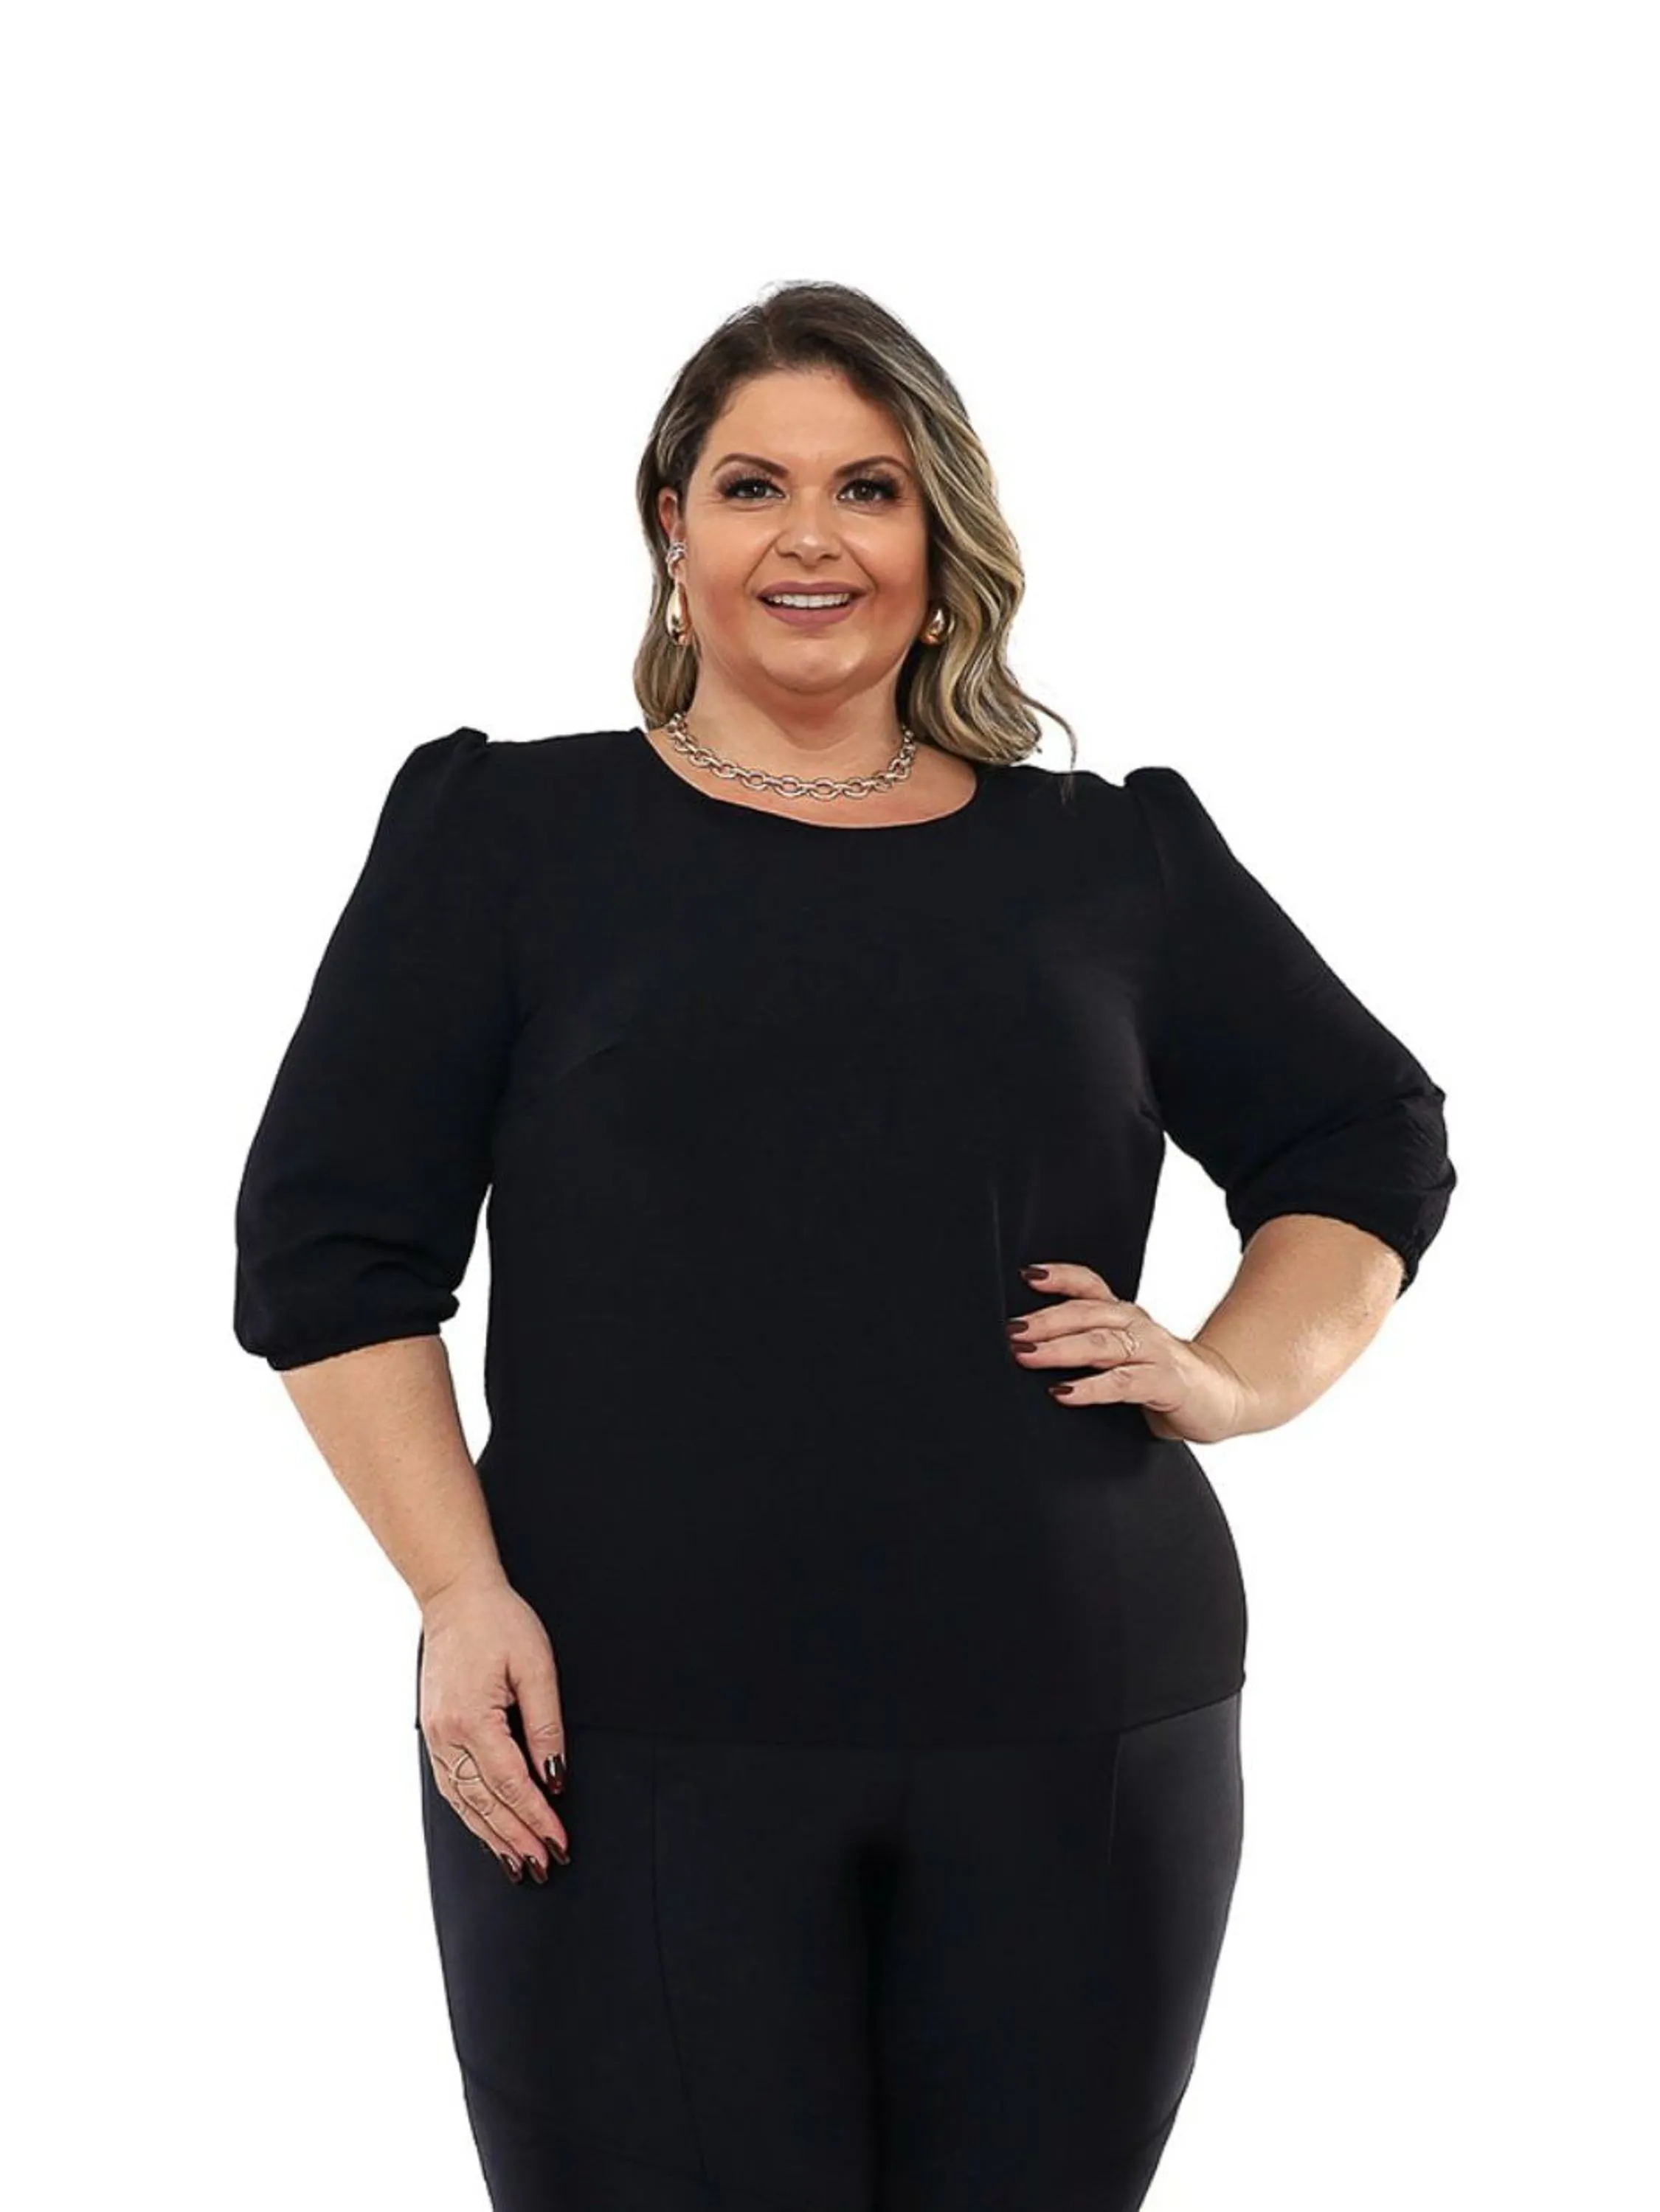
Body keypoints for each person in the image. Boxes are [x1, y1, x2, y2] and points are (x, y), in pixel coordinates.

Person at [232, 280, 1456, 2212]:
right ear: (672, 527)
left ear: (937, 535)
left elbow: (1366, 1137)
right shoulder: (508, 833)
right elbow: (330, 1248)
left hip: (1081, 1712)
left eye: (869, 488)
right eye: (754, 486)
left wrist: (1236, 1373)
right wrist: (458, 1596)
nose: (812, 538)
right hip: (614, 1721)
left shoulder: (1113, 857)